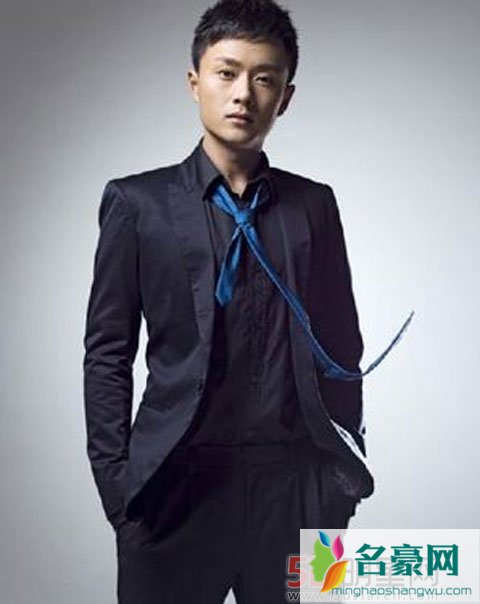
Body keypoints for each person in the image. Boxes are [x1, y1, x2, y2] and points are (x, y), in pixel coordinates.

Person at [82, 1, 376, 602]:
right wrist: (120, 488)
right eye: (227, 72)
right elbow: (107, 354)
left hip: (293, 491)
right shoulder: (138, 204)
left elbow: (342, 347)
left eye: (264, 78)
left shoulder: (312, 205)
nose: (244, 93)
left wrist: (336, 487)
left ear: (284, 98)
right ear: (195, 82)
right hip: (176, 491)